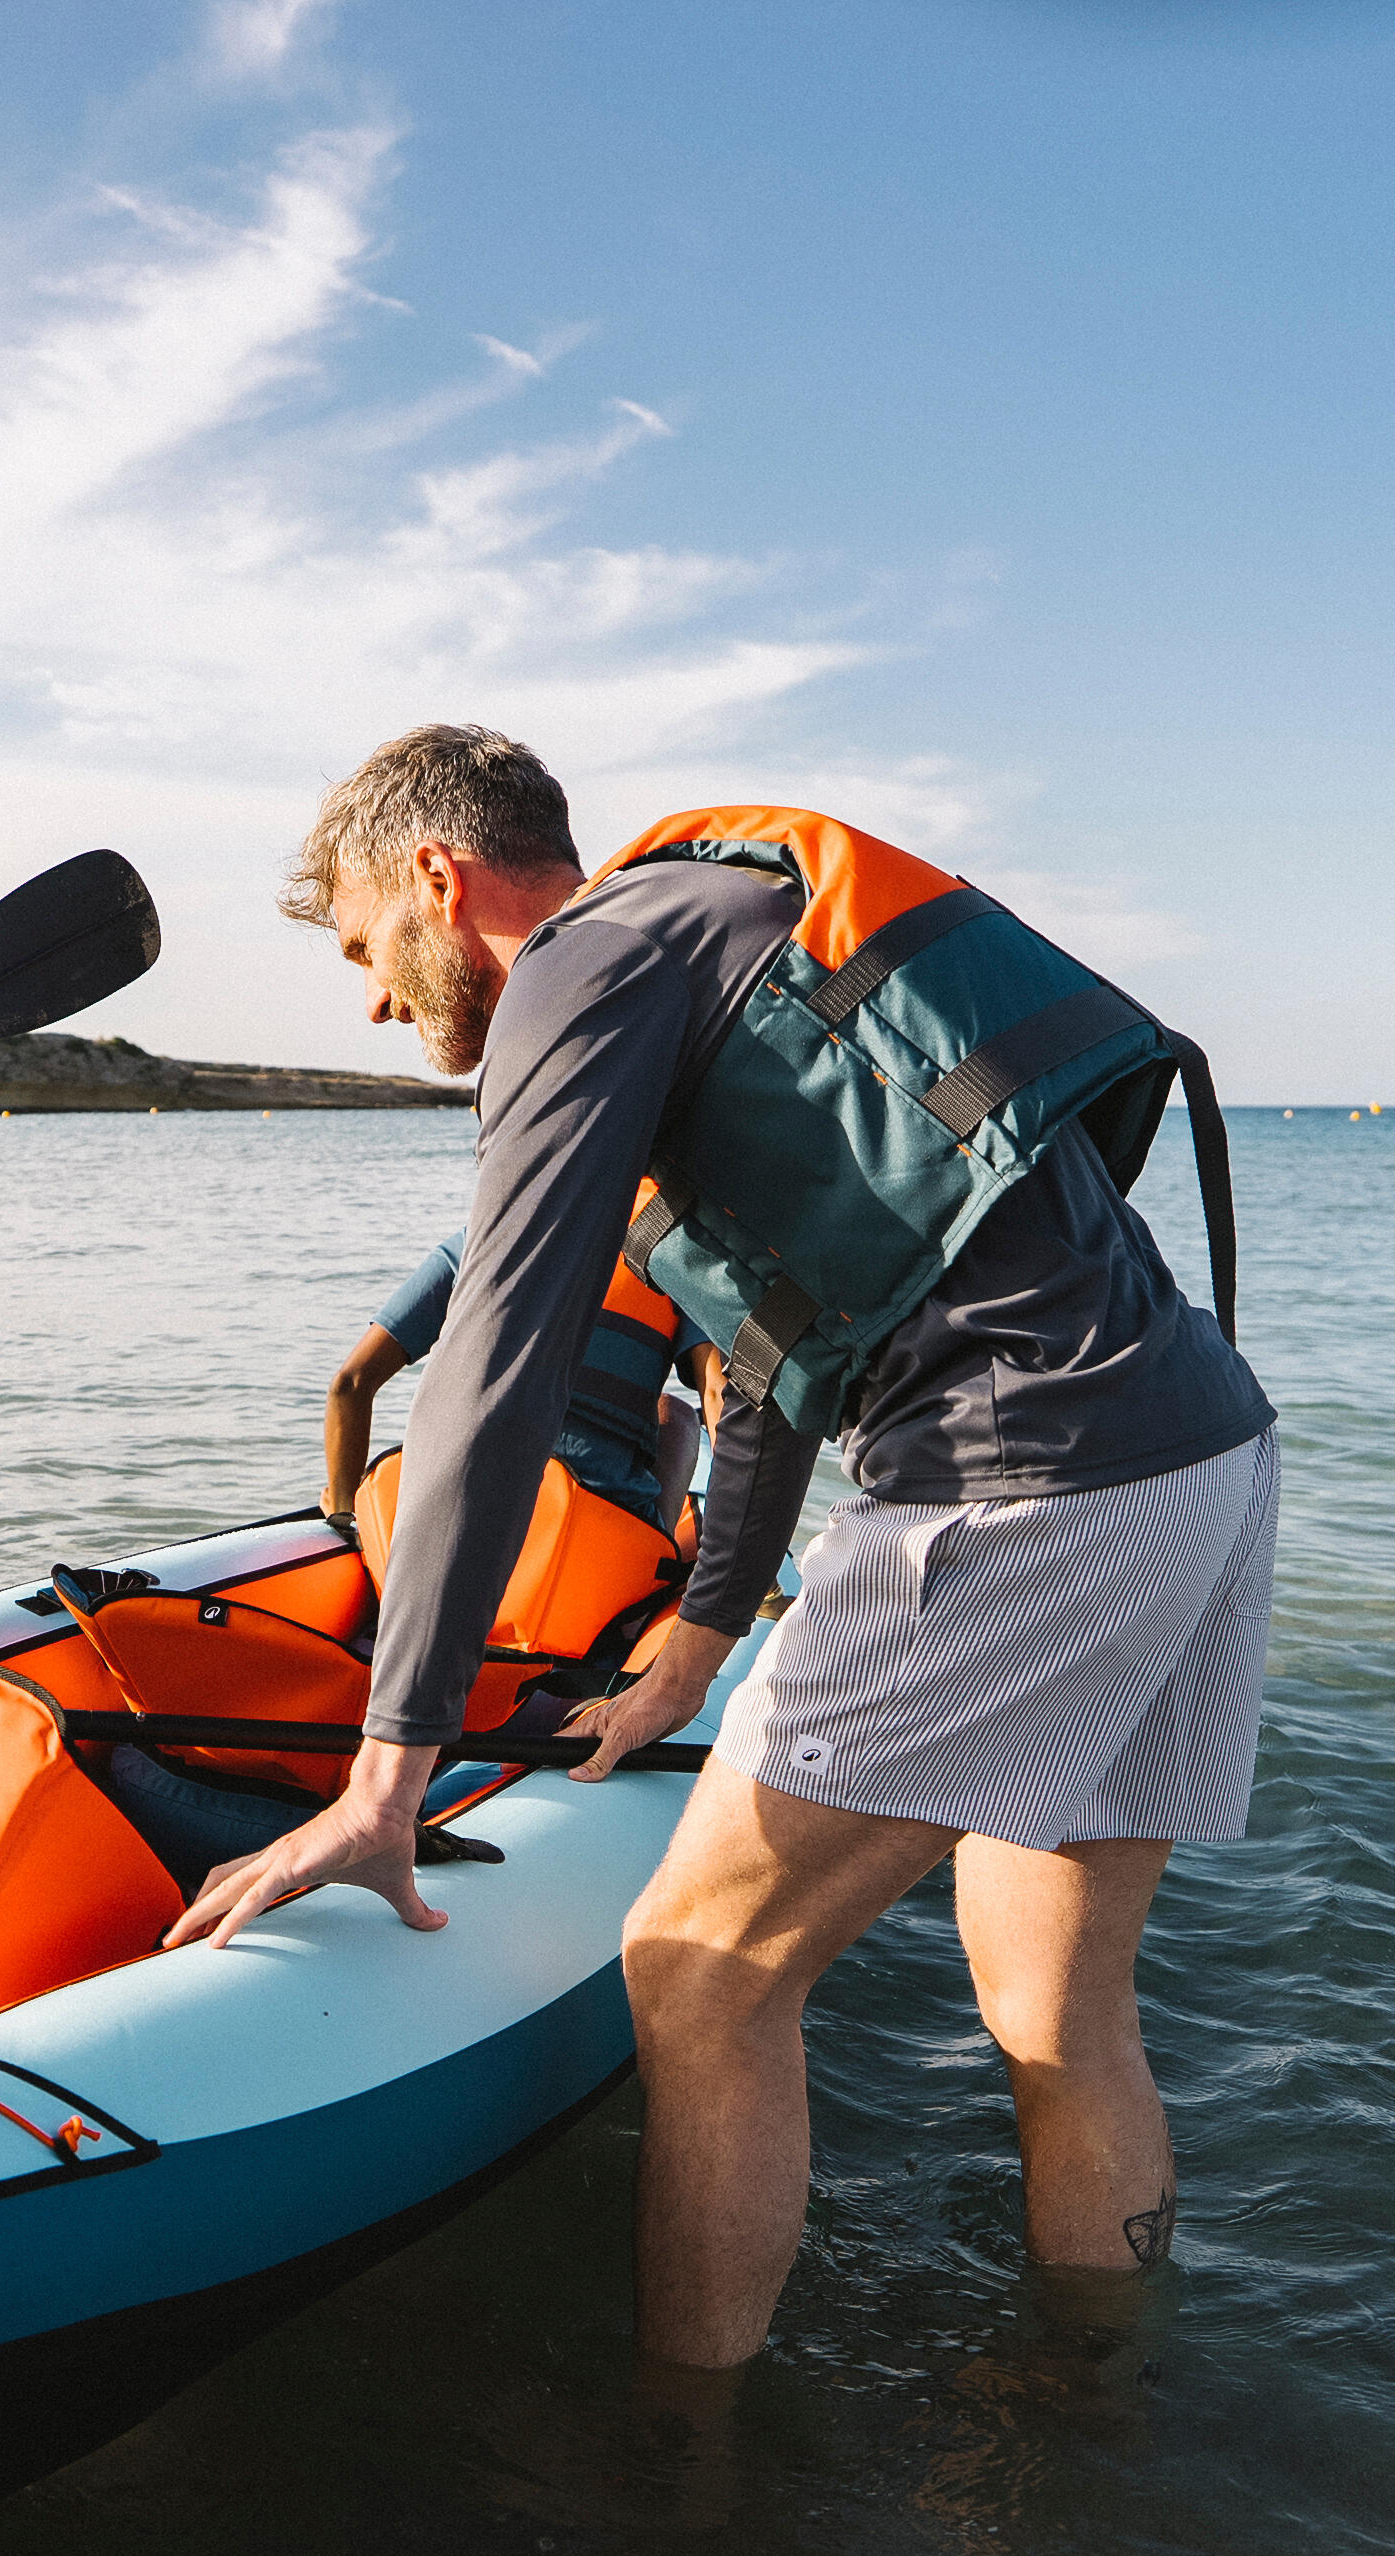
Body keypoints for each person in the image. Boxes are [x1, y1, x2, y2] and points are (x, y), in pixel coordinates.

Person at [172, 725, 1275, 2370]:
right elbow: (766, 1357)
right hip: (1203, 1456)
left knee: (700, 1973)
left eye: (358, 948)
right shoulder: (731, 929)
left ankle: (683, 2469)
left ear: (435, 880)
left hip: (1021, 1482)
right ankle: (1097, 2408)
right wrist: (691, 1649)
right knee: (1061, 2004)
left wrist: (382, 1777)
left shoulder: (576, 964)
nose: (373, 1004)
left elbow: (492, 1365)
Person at [324, 1213, 722, 1540]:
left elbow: (350, 1385)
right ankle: (658, 1546)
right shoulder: (673, 1261)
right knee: (677, 1417)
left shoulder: (475, 1242)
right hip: (601, 1537)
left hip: (458, 1524)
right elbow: (717, 1396)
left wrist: (345, 1516)